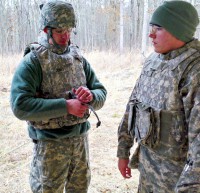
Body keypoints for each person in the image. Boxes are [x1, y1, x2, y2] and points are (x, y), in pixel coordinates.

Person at [10, 0, 107, 192]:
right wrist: (66, 106)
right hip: (50, 145)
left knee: (79, 188)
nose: (66, 36)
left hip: (80, 142)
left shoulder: (78, 58)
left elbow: (101, 92)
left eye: (69, 30)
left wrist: (90, 97)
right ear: (47, 30)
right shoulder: (33, 62)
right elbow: (20, 105)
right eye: (60, 31)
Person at [117, 1, 200, 192]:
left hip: (177, 180)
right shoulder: (153, 61)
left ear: (178, 30)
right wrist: (123, 149)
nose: (151, 34)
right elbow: (133, 105)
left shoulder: (194, 69)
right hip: (148, 172)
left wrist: (190, 186)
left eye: (158, 29)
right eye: (151, 28)